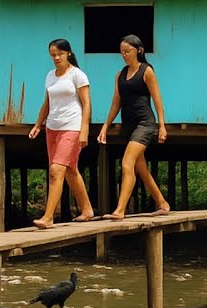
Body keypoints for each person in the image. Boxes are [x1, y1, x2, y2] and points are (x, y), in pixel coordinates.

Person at [97, 34, 170, 220]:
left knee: (127, 163)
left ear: (139, 50)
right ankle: (162, 203)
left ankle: (120, 210)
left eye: (127, 51)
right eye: (122, 52)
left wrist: (162, 126)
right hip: (128, 125)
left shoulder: (146, 71)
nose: (124, 55)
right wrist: (105, 126)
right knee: (141, 168)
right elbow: (116, 103)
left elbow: (157, 99)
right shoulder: (119, 75)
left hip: (145, 123)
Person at [28, 38, 95, 228]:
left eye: (60, 54)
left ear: (68, 54)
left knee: (56, 170)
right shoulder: (50, 75)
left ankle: (48, 217)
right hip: (52, 128)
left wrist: (84, 130)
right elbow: (47, 103)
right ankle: (87, 209)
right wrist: (37, 125)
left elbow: (86, 104)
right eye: (53, 55)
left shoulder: (78, 75)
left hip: (72, 127)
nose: (56, 58)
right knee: (70, 170)